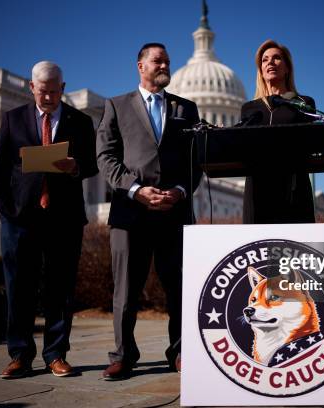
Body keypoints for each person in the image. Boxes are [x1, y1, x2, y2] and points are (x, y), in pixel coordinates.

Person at [97, 43, 201, 380]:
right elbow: (106, 157)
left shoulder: (187, 108)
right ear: (140, 66)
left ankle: (181, 351)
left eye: (167, 61)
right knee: (126, 290)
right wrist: (136, 190)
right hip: (131, 213)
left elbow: (196, 161)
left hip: (174, 212)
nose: (165, 65)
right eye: (158, 61)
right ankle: (123, 355)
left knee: (180, 287)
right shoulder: (116, 106)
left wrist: (181, 191)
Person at [0, 61, 98, 379]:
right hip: (20, 218)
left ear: (62, 89)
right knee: (18, 288)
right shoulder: (13, 119)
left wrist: (74, 167)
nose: (49, 97)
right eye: (43, 91)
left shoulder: (79, 121)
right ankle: (20, 355)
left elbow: (92, 165)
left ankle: (56, 354)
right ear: (31, 87)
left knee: (60, 289)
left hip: (63, 218)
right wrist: (3, 208)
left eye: (54, 91)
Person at [240, 39, 317, 224]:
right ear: (260, 69)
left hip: (293, 187)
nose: (270, 63)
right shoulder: (250, 108)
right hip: (258, 190)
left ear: (287, 67)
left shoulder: (303, 103)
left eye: (276, 58)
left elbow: (311, 144)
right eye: (265, 60)